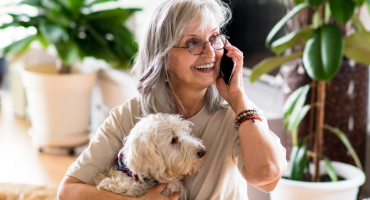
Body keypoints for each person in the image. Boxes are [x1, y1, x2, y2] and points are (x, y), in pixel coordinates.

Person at [57, 0, 287, 199]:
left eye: (214, 38)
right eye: (192, 43)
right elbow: (68, 192)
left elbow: (267, 178)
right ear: (163, 57)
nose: (209, 53)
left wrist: (238, 97)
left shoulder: (240, 113)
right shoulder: (128, 115)